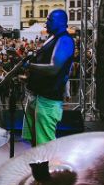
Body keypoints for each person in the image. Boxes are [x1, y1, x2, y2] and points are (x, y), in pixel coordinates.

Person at [22, 9, 75, 147]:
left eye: (49, 20)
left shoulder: (64, 40)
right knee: (34, 139)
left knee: (45, 144)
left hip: (48, 99)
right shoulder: (52, 38)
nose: (46, 23)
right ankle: (37, 167)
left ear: (61, 22)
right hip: (37, 96)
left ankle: (45, 168)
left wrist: (30, 66)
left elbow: (54, 69)